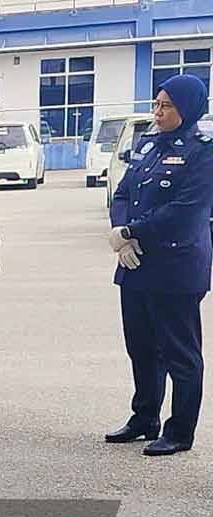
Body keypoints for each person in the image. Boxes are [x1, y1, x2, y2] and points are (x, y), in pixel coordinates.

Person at [105, 73, 213, 456]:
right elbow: (122, 192)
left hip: (176, 267)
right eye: (156, 103)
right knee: (142, 348)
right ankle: (144, 417)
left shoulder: (204, 151)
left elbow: (185, 211)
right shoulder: (148, 143)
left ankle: (180, 430)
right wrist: (120, 233)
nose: (157, 111)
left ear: (187, 109)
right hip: (136, 265)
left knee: (180, 354)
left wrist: (132, 231)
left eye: (166, 106)